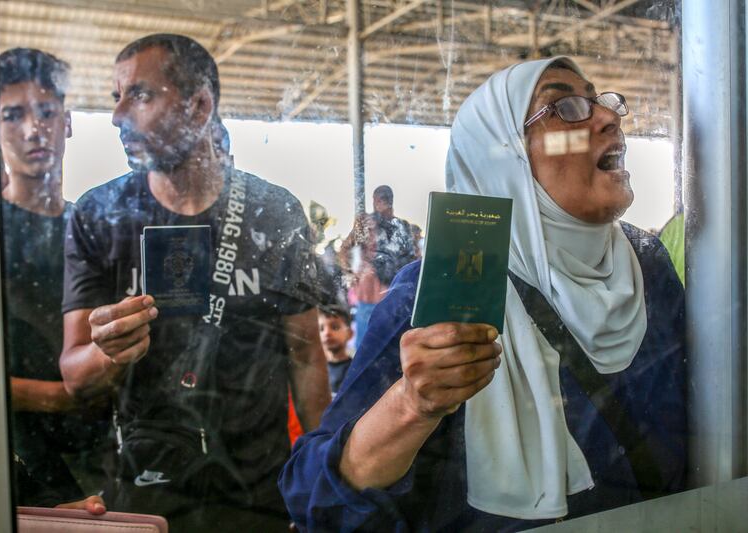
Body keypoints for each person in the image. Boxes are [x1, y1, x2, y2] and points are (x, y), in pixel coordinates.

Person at [280, 57, 687, 531]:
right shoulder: (443, 286)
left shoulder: (647, 265)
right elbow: (314, 498)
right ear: (505, 155)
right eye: (566, 107)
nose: (607, 117)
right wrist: (412, 405)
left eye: (602, 100)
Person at [59, 33, 330, 532]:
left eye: (139, 95)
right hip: (145, 489)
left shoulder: (274, 210)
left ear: (200, 105)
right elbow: (75, 373)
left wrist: (322, 484)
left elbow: (308, 356)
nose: (118, 116)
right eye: (115, 97)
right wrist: (109, 352)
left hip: (256, 494)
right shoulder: (98, 214)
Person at [0, 47, 106, 505]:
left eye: (45, 111)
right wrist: (62, 396)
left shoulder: (95, 229)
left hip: (103, 464)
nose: (32, 129)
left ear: (69, 122)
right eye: (12, 115)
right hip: (12, 469)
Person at [339, 185, 416, 349]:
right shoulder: (367, 223)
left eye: (382, 201)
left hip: (390, 296)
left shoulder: (401, 226)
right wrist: (352, 274)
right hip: (374, 295)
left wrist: (352, 273)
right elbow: (345, 250)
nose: (379, 204)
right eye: (379, 200)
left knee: (381, 350)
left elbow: (411, 260)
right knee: (369, 349)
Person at [317, 305, 354, 396]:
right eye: (321, 329)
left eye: (335, 327)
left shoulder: (354, 370)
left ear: (349, 333)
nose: (327, 333)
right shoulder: (317, 370)